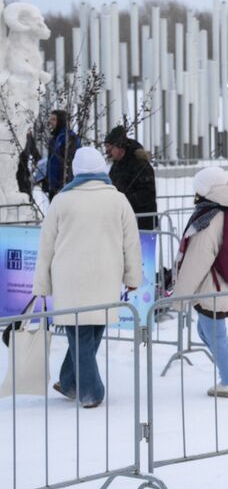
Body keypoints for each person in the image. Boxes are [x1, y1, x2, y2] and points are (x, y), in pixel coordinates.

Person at [31, 146, 142, 408]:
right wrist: (133, 276)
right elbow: (131, 244)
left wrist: (42, 284)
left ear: (76, 171)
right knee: (91, 332)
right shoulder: (118, 200)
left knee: (80, 335)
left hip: (69, 280)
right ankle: (88, 390)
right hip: (106, 277)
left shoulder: (62, 200)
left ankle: (78, 386)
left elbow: (46, 246)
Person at [172, 166, 228, 398]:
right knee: (206, 331)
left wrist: (179, 297)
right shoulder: (226, 211)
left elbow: (196, 261)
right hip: (225, 285)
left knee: (214, 334)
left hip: (213, 288)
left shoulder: (209, 219)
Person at [104, 126, 158, 231]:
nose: (107, 152)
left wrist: (122, 200)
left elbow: (148, 194)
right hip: (124, 223)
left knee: (143, 248)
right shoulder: (116, 166)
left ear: (119, 147)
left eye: (110, 148)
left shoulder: (140, 165)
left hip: (144, 225)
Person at [43, 110, 78, 197]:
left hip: (64, 187)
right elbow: (51, 161)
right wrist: (47, 181)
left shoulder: (69, 138)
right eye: (50, 119)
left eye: (54, 119)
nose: (50, 122)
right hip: (54, 187)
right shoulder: (54, 139)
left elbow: (71, 163)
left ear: (61, 121)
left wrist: (65, 184)